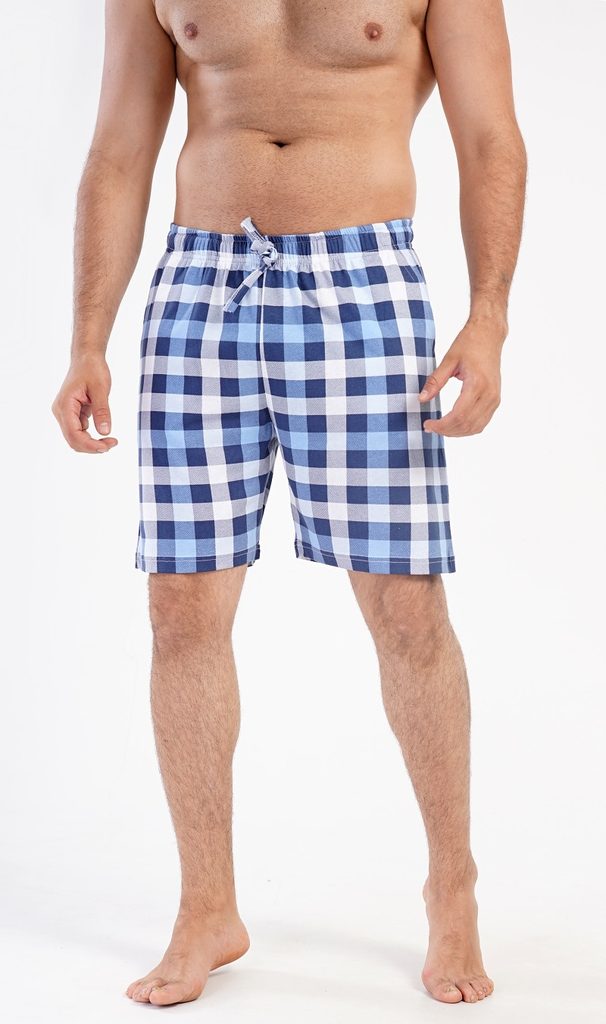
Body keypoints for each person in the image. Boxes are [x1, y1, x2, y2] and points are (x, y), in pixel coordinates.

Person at [52, 0, 526, 1008]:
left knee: (405, 605)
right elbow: (119, 149)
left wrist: (488, 318)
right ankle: (207, 907)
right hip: (197, 284)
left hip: (363, 283)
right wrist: (87, 336)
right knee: (180, 605)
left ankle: (452, 887)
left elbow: (491, 138)